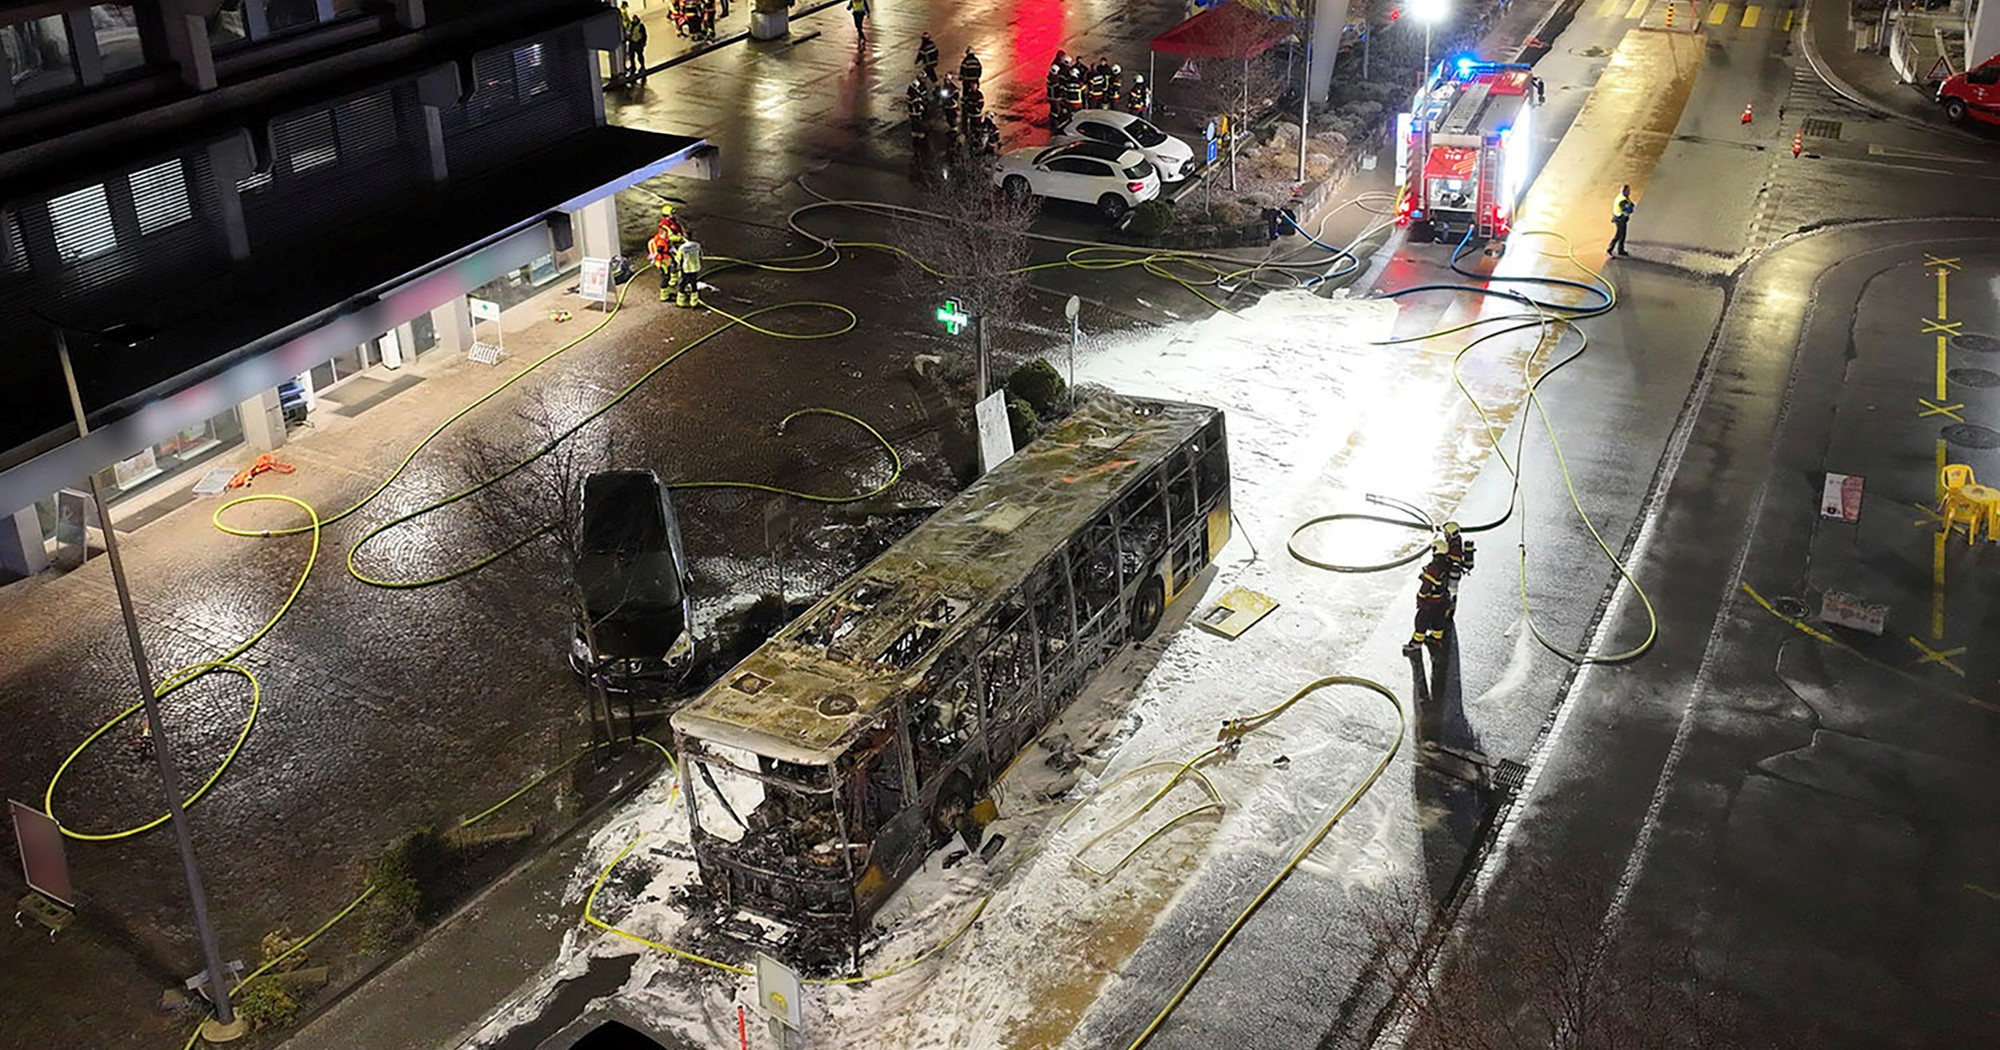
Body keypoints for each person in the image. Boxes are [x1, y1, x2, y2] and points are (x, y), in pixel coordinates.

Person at [1404, 540, 1455, 658]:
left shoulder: (1434, 567)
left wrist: (1420, 597)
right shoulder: (1447, 563)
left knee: (1421, 621)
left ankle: (1416, 644)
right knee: (1438, 620)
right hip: (1442, 600)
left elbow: (1426, 586)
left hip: (1430, 602)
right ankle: (1436, 639)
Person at [648, 226, 677, 302]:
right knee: (665, 278)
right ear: (661, 234)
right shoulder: (661, 242)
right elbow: (660, 251)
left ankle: (666, 293)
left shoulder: (658, 239)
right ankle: (664, 296)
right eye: (665, 234)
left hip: (663, 261)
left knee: (666, 277)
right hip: (663, 262)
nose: (667, 236)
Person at [673, 237, 703, 307]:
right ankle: (694, 302)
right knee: (693, 283)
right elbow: (700, 255)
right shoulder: (697, 245)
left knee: (683, 283)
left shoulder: (682, 247)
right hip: (695, 267)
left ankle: (680, 301)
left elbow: (678, 258)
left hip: (686, 268)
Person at [1608, 184, 1634, 256]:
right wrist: (1630, 208)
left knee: (1623, 235)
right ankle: (1609, 250)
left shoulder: (1623, 197)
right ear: (1624, 191)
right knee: (1618, 235)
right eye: (1628, 191)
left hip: (1621, 218)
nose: (1629, 192)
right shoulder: (1622, 200)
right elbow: (1629, 210)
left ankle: (1620, 250)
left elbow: (1631, 204)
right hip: (1620, 219)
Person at [625, 9, 648, 82]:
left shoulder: (640, 26)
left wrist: (643, 42)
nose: (634, 20)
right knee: (631, 56)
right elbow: (628, 32)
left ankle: (642, 67)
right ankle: (633, 67)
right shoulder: (630, 25)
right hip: (632, 42)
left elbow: (644, 35)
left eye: (635, 19)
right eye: (633, 19)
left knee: (639, 56)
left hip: (638, 42)